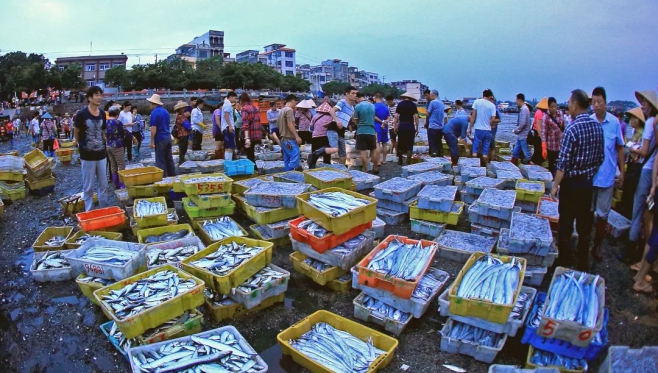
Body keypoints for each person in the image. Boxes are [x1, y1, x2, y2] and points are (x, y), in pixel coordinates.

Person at [550, 89, 604, 272]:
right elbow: (600, 158)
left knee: (565, 223)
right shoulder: (597, 126)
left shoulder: (572, 129)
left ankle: (564, 259)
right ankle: (582, 262)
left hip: (571, 185)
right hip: (587, 184)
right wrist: (589, 173)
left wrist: (555, 186)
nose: (568, 106)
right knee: (584, 225)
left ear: (574, 104)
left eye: (569, 103)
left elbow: (563, 164)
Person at [588, 87, 625, 261]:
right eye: (593, 102)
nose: (596, 106)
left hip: (607, 177)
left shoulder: (614, 123)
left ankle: (597, 247)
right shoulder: (589, 121)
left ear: (605, 102)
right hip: (590, 176)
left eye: (599, 102)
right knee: (587, 212)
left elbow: (620, 147)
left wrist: (622, 172)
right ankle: (585, 244)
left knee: (602, 215)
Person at [622, 90, 658, 263]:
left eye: (644, 102)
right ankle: (644, 252)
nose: (642, 105)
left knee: (636, 211)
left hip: (646, 170)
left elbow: (644, 151)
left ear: (651, 106)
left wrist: (632, 149)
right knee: (647, 215)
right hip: (652, 172)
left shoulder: (651, 122)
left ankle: (630, 250)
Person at [74, 86, 110, 211]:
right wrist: (82, 146)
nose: (99, 97)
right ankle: (89, 211)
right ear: (89, 98)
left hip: (101, 154)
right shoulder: (81, 114)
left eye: (100, 95)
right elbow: (76, 132)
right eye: (96, 95)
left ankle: (104, 209)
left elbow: (102, 131)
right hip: (87, 156)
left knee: (104, 185)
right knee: (88, 187)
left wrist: (104, 140)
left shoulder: (102, 114)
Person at [621, 107, 646, 218]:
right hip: (631, 165)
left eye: (633, 118)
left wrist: (630, 149)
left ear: (638, 120)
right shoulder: (635, 132)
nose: (631, 120)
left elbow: (634, 151)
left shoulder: (640, 134)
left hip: (635, 166)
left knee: (630, 192)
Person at [147, 94, 175, 177]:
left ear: (153, 103)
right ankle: (173, 177)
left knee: (160, 160)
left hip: (160, 138)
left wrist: (152, 141)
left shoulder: (154, 113)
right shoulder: (166, 111)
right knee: (169, 159)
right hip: (168, 137)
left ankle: (163, 179)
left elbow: (153, 128)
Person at [467, 89, 497, 165]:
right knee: (485, 151)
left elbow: (473, 116)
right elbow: (493, 119)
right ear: (490, 96)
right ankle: (484, 167)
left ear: (483, 94)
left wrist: (470, 128)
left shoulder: (477, 102)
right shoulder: (492, 105)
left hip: (478, 129)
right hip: (488, 130)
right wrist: (488, 124)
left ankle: (474, 165)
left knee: (475, 149)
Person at [354, 92, 379, 174]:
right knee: (373, 151)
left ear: (357, 98)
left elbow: (356, 120)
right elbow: (373, 117)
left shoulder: (357, 106)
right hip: (371, 131)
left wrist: (356, 123)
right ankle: (375, 168)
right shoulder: (372, 106)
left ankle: (365, 170)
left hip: (361, 131)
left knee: (363, 152)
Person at [277, 94, 302, 171]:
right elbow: (290, 124)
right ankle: (292, 171)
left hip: (283, 139)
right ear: (292, 101)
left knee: (287, 159)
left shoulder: (281, 110)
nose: (296, 104)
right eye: (295, 102)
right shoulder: (289, 110)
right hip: (289, 139)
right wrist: (297, 136)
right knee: (295, 156)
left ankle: (287, 175)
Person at [394, 92, 419, 165]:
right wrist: (416, 128)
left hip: (402, 125)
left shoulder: (400, 104)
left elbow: (396, 116)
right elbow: (416, 117)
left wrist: (395, 126)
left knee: (401, 142)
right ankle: (408, 162)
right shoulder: (413, 105)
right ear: (411, 98)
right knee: (410, 143)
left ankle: (400, 160)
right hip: (410, 126)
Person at [105, 106, 126, 188]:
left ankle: (115, 183)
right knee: (121, 165)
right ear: (117, 114)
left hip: (109, 145)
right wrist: (133, 139)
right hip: (117, 146)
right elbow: (125, 132)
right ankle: (122, 185)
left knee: (113, 165)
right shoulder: (118, 122)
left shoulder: (106, 122)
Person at [308, 102, 335, 168]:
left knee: (314, 154)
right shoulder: (331, 117)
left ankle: (312, 168)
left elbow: (311, 128)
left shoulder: (315, 116)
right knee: (326, 155)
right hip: (326, 138)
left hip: (315, 137)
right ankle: (326, 168)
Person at [542, 97, 565, 174]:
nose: (553, 108)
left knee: (560, 164)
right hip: (551, 146)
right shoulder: (546, 117)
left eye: (555, 106)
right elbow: (544, 132)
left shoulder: (560, 114)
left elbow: (564, 126)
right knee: (551, 165)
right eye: (551, 106)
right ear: (548, 107)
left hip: (560, 144)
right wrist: (544, 147)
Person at [240, 93, 262, 165]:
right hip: (257, 135)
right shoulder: (255, 108)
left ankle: (253, 172)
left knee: (250, 156)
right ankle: (255, 171)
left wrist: (246, 138)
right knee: (252, 155)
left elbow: (245, 124)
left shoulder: (244, 108)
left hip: (249, 135)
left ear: (242, 100)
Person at [511, 93, 532, 165]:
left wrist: (517, 130)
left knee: (526, 153)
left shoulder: (524, 109)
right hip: (521, 136)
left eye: (516, 100)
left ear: (519, 100)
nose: (516, 102)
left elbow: (523, 123)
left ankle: (530, 168)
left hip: (523, 135)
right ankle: (513, 166)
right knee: (515, 152)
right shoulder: (524, 109)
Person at [426, 89, 446, 157]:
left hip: (433, 127)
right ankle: (440, 156)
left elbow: (428, 113)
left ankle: (433, 157)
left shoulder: (432, 102)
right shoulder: (442, 103)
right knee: (439, 143)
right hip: (440, 127)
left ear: (433, 95)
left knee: (433, 144)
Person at [172, 100, 192, 166]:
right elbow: (186, 125)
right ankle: (181, 161)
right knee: (183, 148)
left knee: (183, 148)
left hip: (183, 134)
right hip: (183, 134)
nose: (184, 109)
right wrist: (191, 127)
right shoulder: (180, 116)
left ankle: (182, 160)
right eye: (183, 108)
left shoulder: (180, 115)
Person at [373, 93, 390, 164]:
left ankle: (378, 161)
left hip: (377, 126)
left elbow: (373, 116)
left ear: (375, 98)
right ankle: (384, 160)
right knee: (384, 143)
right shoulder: (386, 106)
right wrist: (384, 122)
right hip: (385, 127)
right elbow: (389, 117)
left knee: (377, 143)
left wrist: (381, 122)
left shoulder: (373, 106)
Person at [221, 92, 238, 161]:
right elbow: (226, 115)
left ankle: (227, 161)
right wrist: (230, 126)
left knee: (227, 146)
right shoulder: (228, 104)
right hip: (228, 127)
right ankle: (229, 162)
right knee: (230, 146)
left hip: (226, 127)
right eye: (235, 98)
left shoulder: (226, 103)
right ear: (230, 97)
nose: (235, 99)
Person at [532, 97, 548, 165]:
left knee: (537, 151)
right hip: (538, 134)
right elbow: (538, 126)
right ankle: (534, 163)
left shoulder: (539, 112)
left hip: (537, 133)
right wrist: (541, 137)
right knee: (538, 151)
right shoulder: (540, 113)